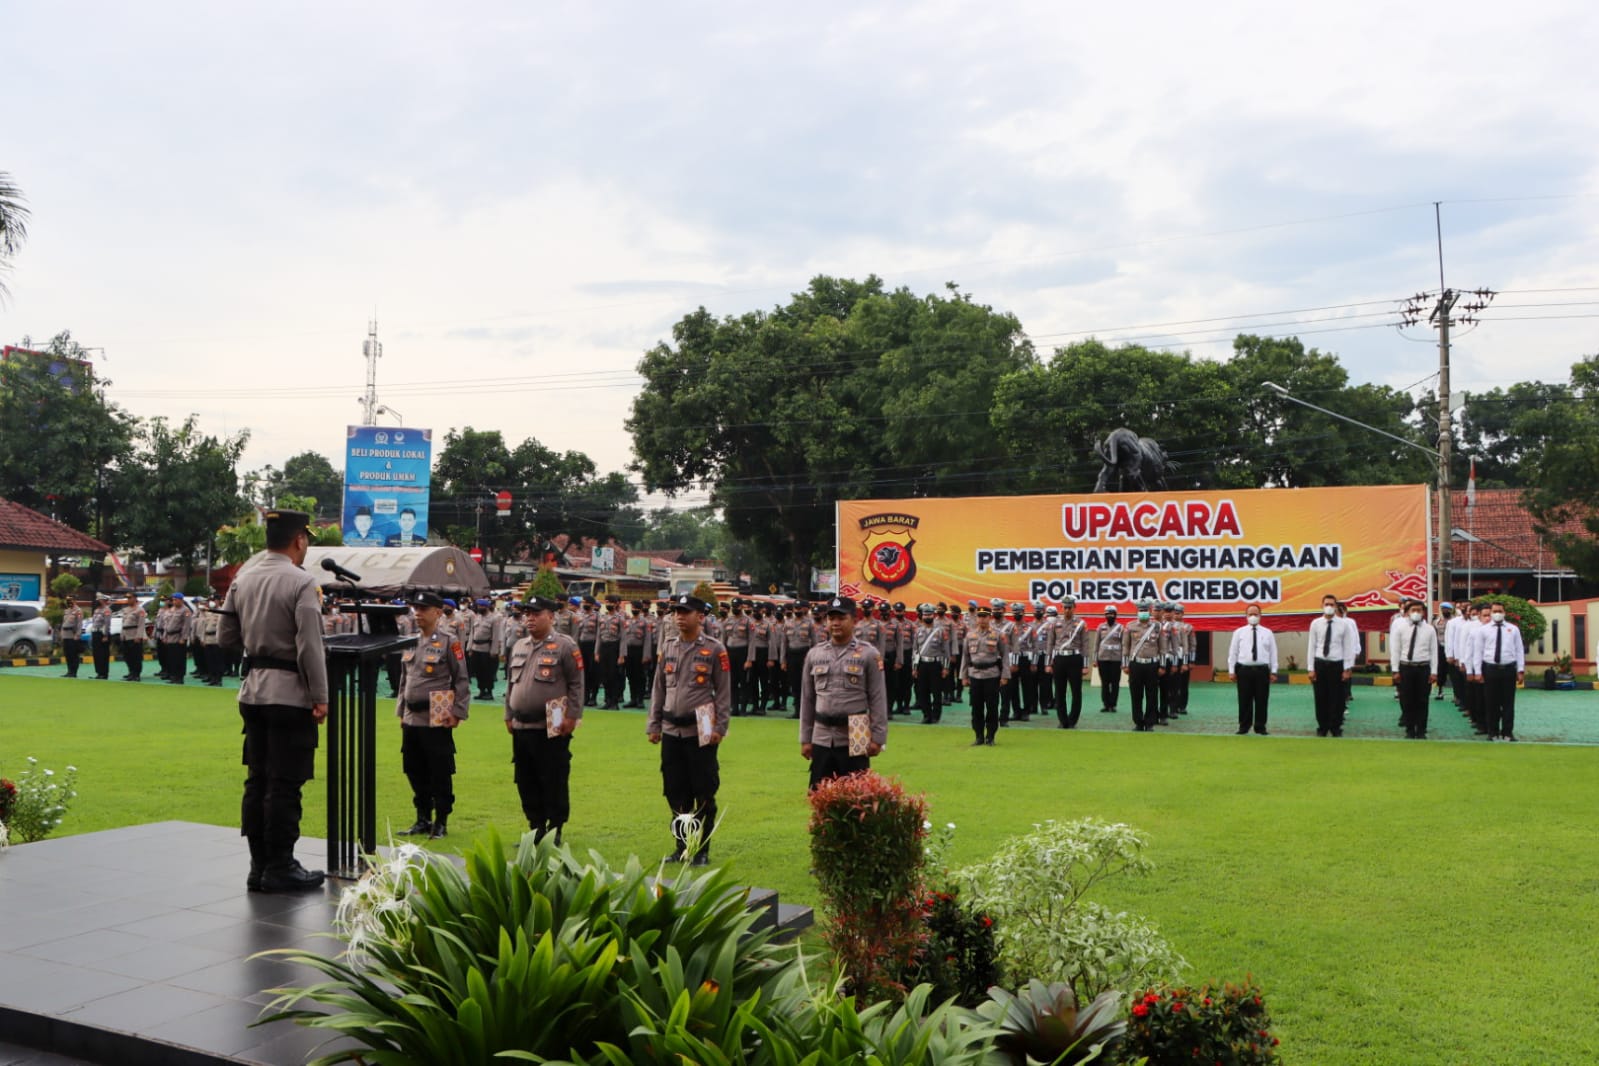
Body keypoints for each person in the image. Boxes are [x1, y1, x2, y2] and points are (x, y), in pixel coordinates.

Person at [217, 508, 329, 893]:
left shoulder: (242, 578)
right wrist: (320, 696)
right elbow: (310, 647)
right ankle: (281, 865)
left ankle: (259, 865)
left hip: (253, 690)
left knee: (257, 778)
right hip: (289, 694)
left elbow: (225, 639)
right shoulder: (302, 582)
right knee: (285, 782)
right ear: (299, 540)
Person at [647, 593, 732, 865]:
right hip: (672, 730)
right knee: (675, 792)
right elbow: (658, 688)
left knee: (704, 791)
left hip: (701, 731)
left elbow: (723, 693)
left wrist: (720, 726)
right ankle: (682, 846)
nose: (680, 617)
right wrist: (654, 724)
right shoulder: (668, 647)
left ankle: (702, 849)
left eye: (686, 612)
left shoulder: (715, 649)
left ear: (701, 616)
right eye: (677, 612)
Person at [504, 595, 586, 842]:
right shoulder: (520, 646)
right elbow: (510, 684)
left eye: (536, 613)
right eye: (527, 613)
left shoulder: (565, 645)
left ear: (550, 616)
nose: (529, 617)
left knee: (553, 778)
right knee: (525, 779)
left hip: (551, 725)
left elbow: (576, 684)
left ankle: (554, 829)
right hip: (521, 725)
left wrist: (572, 715)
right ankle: (535, 827)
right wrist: (508, 714)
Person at [394, 591, 470, 839]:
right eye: (415, 608)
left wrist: (458, 712)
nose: (418, 612)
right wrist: (401, 712)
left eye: (424, 608)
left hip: (437, 713)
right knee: (414, 768)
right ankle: (422, 818)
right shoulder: (410, 641)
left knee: (439, 769)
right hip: (412, 717)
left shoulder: (449, 642)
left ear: (438, 612)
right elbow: (405, 679)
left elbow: (461, 679)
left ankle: (441, 821)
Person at [800, 596, 888, 782]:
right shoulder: (815, 654)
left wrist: (878, 737)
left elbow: (878, 697)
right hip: (822, 733)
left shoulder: (869, 654)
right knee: (820, 796)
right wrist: (805, 738)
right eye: (832, 619)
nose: (836, 623)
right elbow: (807, 699)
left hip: (856, 730)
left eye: (842, 618)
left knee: (856, 797)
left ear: (854, 621)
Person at [1467, 601, 1525, 741]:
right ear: (1491, 613)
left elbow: (1519, 650)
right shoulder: (1483, 630)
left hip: (1508, 669)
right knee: (1491, 702)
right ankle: (1492, 732)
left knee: (1508, 703)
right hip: (1490, 669)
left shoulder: (1513, 629)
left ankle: (1507, 733)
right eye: (1495, 611)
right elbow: (1478, 652)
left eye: (1500, 611)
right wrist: (1477, 672)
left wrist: (1521, 669)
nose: (1497, 614)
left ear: (1504, 613)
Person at [959, 604, 1010, 745]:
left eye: (984, 616)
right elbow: (965, 657)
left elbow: (1005, 655)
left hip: (992, 675)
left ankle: (991, 736)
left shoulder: (998, 634)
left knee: (992, 707)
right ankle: (979, 736)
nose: (982, 619)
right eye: (979, 616)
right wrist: (963, 676)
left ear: (989, 618)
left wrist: (1005, 675)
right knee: (976, 708)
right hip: (975, 675)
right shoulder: (970, 635)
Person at [1307, 595, 1355, 737]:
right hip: (1320, 663)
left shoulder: (1344, 624)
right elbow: (1312, 646)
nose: (1329, 606)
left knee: (1337, 698)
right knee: (1320, 697)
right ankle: (1322, 726)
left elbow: (1348, 647)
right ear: (1322, 605)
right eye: (1326, 604)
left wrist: (1347, 668)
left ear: (1335, 606)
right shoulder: (1315, 623)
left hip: (1337, 664)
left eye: (1332, 604)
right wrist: (1311, 668)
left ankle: (1336, 727)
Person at [1392, 599, 1441, 738]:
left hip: (1423, 667)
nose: (1416, 613)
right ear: (1407, 612)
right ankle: (1409, 729)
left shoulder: (1430, 629)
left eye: (1419, 610)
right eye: (1413, 610)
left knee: (1422, 700)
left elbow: (1434, 651)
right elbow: (1396, 650)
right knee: (1407, 700)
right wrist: (1395, 670)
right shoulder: (1400, 628)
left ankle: (1421, 730)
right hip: (1406, 667)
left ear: (1423, 612)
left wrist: (1434, 672)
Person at [1226, 605, 1277, 736]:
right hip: (1244, 670)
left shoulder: (1268, 633)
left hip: (1262, 670)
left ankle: (1260, 726)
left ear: (1260, 615)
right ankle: (1244, 725)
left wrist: (1274, 670)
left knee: (1262, 699)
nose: (1253, 617)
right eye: (1250, 614)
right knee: (1244, 699)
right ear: (1246, 616)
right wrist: (1231, 670)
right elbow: (1233, 652)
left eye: (1256, 614)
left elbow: (1273, 653)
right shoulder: (1239, 632)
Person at [1045, 597, 1090, 728]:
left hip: (1075, 659)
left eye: (1069, 607)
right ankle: (1062, 720)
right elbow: (1050, 643)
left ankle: (1073, 720)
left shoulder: (1081, 623)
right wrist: (1048, 663)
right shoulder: (1055, 623)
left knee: (1076, 691)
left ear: (1074, 607)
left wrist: (1085, 665)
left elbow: (1085, 645)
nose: (1067, 610)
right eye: (1065, 607)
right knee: (1059, 691)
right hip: (1059, 659)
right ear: (1062, 608)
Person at [1121, 599, 1163, 731]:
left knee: (1152, 694)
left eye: (1145, 610)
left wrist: (1162, 666)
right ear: (1137, 611)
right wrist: (1125, 664)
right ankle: (1138, 722)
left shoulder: (1157, 626)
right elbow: (1125, 647)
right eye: (1141, 610)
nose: (1143, 613)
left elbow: (1163, 648)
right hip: (1136, 664)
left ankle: (1150, 722)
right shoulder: (1130, 626)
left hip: (1152, 665)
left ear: (1150, 611)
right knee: (1136, 694)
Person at [910, 604, 950, 724]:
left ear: (934, 615)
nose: (927, 616)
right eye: (925, 614)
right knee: (922, 691)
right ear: (922, 616)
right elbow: (915, 650)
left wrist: (946, 667)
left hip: (936, 664)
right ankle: (926, 715)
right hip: (922, 664)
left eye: (930, 614)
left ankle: (936, 716)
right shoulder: (918, 631)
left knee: (936, 692)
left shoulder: (941, 631)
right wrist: (914, 668)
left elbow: (945, 650)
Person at [466, 598, 502, 701]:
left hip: (487, 649)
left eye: (481, 606)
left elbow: (495, 636)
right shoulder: (477, 617)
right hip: (476, 648)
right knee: (478, 672)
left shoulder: (494, 619)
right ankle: (481, 691)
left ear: (486, 607)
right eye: (478, 606)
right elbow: (472, 634)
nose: (479, 608)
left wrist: (494, 651)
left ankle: (489, 692)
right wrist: (470, 648)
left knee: (488, 672)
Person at [1095, 607, 1125, 712]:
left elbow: (1124, 644)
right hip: (1103, 658)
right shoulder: (1100, 627)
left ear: (1115, 615)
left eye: (1112, 614)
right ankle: (1106, 704)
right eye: (1107, 614)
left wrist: (1124, 661)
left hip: (1116, 659)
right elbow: (1096, 644)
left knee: (1115, 683)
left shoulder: (1121, 628)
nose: (1109, 616)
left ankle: (1113, 705)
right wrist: (1095, 659)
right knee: (1105, 682)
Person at [119, 595, 147, 681]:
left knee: (136, 656)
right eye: (127, 598)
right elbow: (123, 623)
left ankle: (136, 674)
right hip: (126, 635)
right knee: (128, 656)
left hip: (134, 635)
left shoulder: (140, 610)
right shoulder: (125, 610)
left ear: (135, 599)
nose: (128, 600)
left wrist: (138, 636)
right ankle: (131, 672)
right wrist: (122, 635)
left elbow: (141, 624)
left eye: (130, 598)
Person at [59, 597, 84, 677]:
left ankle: (74, 672)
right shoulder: (66, 611)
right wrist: (61, 634)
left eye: (71, 600)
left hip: (73, 635)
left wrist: (78, 634)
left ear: (75, 601)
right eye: (68, 600)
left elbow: (79, 624)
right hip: (66, 634)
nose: (69, 602)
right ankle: (69, 671)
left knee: (73, 654)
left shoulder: (78, 611)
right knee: (68, 654)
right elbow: (63, 623)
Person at [89, 595, 113, 679]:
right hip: (95, 632)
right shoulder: (96, 610)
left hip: (102, 634)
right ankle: (98, 672)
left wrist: (105, 635)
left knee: (103, 654)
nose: (97, 601)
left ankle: (104, 673)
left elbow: (107, 624)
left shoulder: (107, 610)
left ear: (103, 600)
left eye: (99, 599)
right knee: (96, 654)